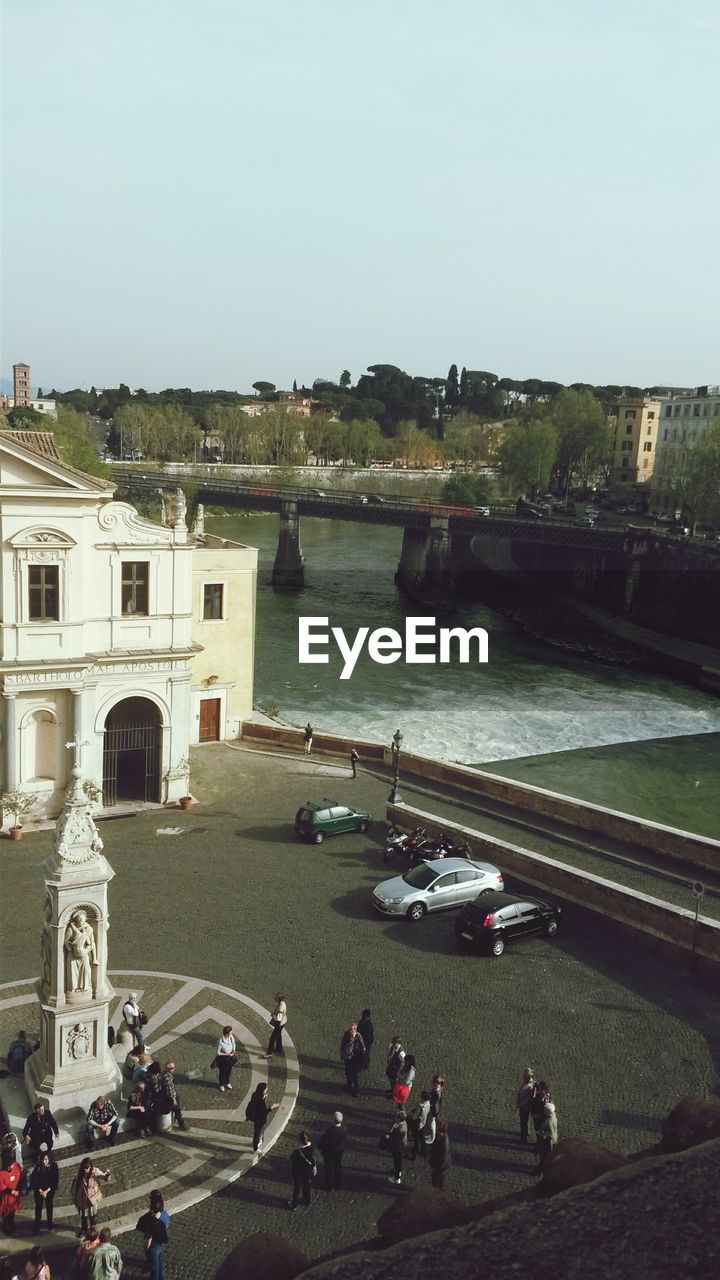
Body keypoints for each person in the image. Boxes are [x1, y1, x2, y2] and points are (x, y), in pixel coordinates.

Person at [71, 1158, 109, 1235]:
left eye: (87, 1167)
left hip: (93, 1198)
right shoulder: (79, 1175)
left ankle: (93, 1231)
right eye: (84, 1167)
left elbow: (104, 1177)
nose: (85, 1169)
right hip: (83, 1199)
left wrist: (107, 1175)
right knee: (83, 1217)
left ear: (90, 1166)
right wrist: (75, 1199)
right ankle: (84, 1229)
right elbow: (74, 1188)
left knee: (92, 1216)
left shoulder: (95, 1172)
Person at [136, 1190, 169, 1280]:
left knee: (154, 1269)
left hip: (153, 1247)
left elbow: (148, 1241)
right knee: (160, 1265)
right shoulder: (165, 1214)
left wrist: (146, 1248)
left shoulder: (151, 1222)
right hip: (160, 1244)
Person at [64, 911, 96, 996]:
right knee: (73, 972)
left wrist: (87, 949)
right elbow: (66, 941)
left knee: (86, 970)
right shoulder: (71, 930)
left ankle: (85, 987)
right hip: (73, 955)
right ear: (77, 921)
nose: (83, 922)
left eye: (84, 921)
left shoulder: (88, 929)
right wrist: (70, 947)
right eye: (81, 921)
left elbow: (91, 944)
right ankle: (74, 988)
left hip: (84, 954)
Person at [317, 1112, 348, 1190]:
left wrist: (320, 1147)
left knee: (329, 1168)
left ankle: (329, 1185)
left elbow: (324, 1140)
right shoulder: (344, 1130)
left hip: (329, 1152)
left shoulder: (330, 1130)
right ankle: (338, 1184)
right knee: (338, 1166)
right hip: (339, 1151)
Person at [245, 1082, 279, 1152]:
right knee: (257, 1133)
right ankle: (255, 1147)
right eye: (266, 1089)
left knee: (256, 1130)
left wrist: (264, 1097)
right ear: (262, 1090)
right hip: (259, 1119)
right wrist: (272, 1107)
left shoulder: (255, 1095)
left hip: (254, 1116)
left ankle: (256, 1142)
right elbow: (264, 1113)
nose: (267, 1090)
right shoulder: (260, 1101)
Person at [30, 1151, 58, 1232]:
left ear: (49, 1159)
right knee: (38, 1207)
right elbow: (34, 1180)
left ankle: (50, 1222)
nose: (44, 1161)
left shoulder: (54, 1167)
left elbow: (54, 1181)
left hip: (49, 1191)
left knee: (49, 1206)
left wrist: (46, 1191)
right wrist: (41, 1191)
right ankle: (37, 1224)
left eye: (45, 1159)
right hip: (39, 1191)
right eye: (42, 1159)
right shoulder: (38, 1167)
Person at [289, 1132, 316, 1210]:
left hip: (298, 1171)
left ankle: (294, 1205)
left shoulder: (298, 1151)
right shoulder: (311, 1147)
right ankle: (307, 1200)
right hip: (307, 1170)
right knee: (307, 1185)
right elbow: (312, 1157)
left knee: (297, 1187)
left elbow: (292, 1158)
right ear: (307, 1138)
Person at [340, 1021, 366, 1099]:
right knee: (347, 1072)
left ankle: (356, 1090)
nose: (350, 1031)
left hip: (354, 1058)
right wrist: (342, 1053)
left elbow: (363, 1047)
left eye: (352, 1029)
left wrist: (360, 1058)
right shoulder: (346, 1034)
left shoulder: (358, 1036)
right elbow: (344, 1044)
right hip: (347, 1057)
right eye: (350, 1029)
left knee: (355, 1075)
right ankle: (349, 1085)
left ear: (355, 1030)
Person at [0, 1149, 22, 1235]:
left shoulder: (16, 1166)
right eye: (10, 1165)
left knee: (12, 1211)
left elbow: (20, 1177)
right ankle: (5, 1226)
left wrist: (20, 1188)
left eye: (12, 1164)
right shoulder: (1, 1173)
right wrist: (13, 1192)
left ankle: (11, 1223)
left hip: (14, 1196)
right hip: (6, 1197)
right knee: (5, 1213)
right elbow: (2, 1186)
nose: (12, 1166)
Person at [160, 1063, 187, 1130]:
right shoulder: (167, 1078)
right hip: (171, 1097)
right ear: (168, 1069)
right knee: (177, 1110)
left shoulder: (165, 1074)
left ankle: (177, 1120)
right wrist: (173, 1099)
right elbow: (169, 1090)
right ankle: (182, 1125)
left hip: (172, 1095)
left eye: (173, 1067)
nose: (174, 1069)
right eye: (172, 1068)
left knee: (177, 1109)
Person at [408, 1091, 433, 1160]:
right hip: (422, 1123)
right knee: (421, 1138)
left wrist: (410, 1113)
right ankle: (423, 1151)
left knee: (416, 1141)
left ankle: (413, 1156)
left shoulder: (420, 1106)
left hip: (417, 1124)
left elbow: (414, 1116)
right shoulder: (428, 1103)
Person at [386, 1110, 408, 1185]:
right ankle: (397, 1172)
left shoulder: (400, 1130)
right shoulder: (403, 1123)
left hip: (398, 1148)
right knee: (397, 1162)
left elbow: (396, 1140)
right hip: (400, 1146)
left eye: (396, 1117)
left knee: (397, 1162)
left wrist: (389, 1138)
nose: (394, 1118)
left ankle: (397, 1178)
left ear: (399, 1119)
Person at [536, 1099, 558, 1173]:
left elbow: (550, 1134)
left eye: (545, 1109)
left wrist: (540, 1133)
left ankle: (542, 1168)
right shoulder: (553, 1115)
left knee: (544, 1155)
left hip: (547, 1141)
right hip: (552, 1138)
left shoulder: (549, 1122)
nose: (544, 1110)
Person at [429, 1119, 451, 1190]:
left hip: (440, 1164)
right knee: (440, 1175)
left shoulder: (444, 1141)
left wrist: (438, 1167)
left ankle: (436, 1190)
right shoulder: (440, 1137)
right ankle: (440, 1188)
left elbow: (443, 1156)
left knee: (434, 1178)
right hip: (440, 1163)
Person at [516, 1067, 535, 1144]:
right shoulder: (525, 1082)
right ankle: (527, 1132)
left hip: (525, 1106)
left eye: (525, 1075)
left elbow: (530, 1098)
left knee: (523, 1122)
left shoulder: (531, 1085)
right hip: (522, 1104)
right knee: (525, 1120)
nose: (523, 1076)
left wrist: (521, 1104)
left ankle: (524, 1138)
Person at [216, 1025, 237, 1091]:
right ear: (226, 1034)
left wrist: (234, 1050)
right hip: (223, 1058)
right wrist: (227, 1054)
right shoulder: (220, 1041)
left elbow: (233, 1043)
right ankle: (221, 1084)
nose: (232, 1034)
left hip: (230, 1057)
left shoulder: (230, 1037)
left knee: (229, 1071)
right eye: (230, 1033)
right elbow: (218, 1052)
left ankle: (227, 1082)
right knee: (222, 1072)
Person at [530, 1080, 550, 1144]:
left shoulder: (549, 1098)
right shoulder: (536, 1098)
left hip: (545, 1121)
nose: (540, 1090)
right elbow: (533, 1108)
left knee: (544, 1134)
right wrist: (534, 1115)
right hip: (537, 1120)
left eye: (541, 1089)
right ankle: (538, 1144)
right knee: (538, 1133)